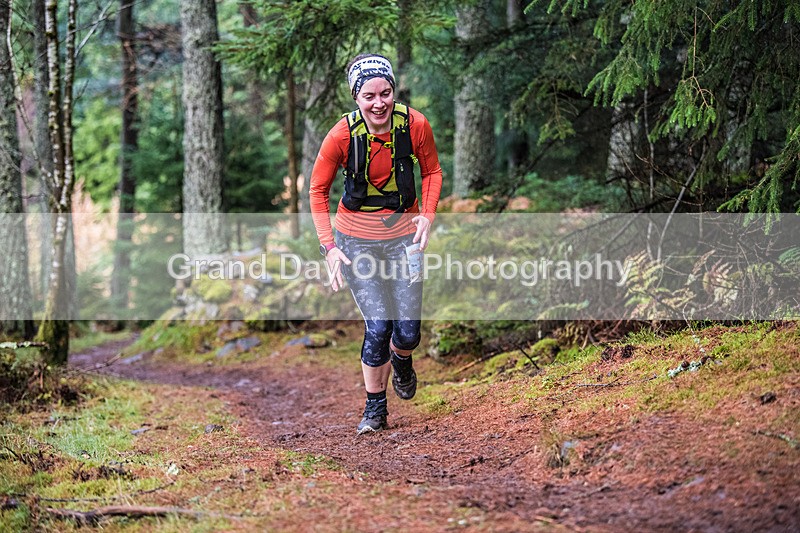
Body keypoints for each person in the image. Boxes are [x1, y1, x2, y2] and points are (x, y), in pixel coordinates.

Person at [309, 53, 443, 434]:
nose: (379, 102)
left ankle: (402, 362)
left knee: (407, 334)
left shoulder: (415, 124)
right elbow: (317, 190)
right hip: (356, 242)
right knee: (379, 325)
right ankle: (375, 410)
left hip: (405, 239)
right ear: (356, 97)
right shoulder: (341, 135)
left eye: (385, 93)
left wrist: (427, 215)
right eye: (369, 95)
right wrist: (330, 248)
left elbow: (432, 171)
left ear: (393, 92)